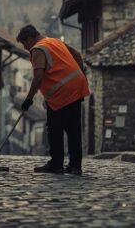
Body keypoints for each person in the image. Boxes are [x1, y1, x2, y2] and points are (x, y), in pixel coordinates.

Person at [17, 24, 90, 175]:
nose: (25, 48)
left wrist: (29, 99)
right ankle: (75, 166)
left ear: (30, 39)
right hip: (77, 86)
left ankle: (56, 164)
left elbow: (38, 77)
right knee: (73, 129)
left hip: (61, 92)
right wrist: (80, 74)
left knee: (54, 129)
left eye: (25, 44)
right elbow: (76, 54)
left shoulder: (38, 49)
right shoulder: (54, 41)